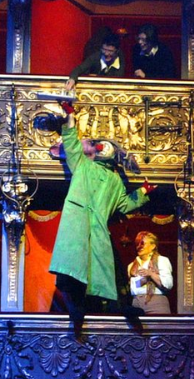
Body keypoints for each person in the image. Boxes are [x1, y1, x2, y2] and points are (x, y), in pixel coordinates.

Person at [46, 98, 155, 337]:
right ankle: (76, 310)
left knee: (109, 271)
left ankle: (122, 307)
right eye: (99, 145)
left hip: (97, 229)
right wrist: (70, 115)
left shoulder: (115, 180)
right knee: (72, 271)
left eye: (107, 146)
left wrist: (143, 192)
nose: (102, 148)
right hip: (76, 227)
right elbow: (71, 144)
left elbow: (123, 204)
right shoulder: (83, 166)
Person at [127, 231, 173, 315]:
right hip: (136, 303)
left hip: (156, 303)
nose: (139, 246)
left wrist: (151, 274)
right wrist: (144, 280)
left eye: (142, 243)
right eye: (137, 243)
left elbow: (168, 284)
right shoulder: (131, 266)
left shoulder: (161, 260)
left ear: (153, 246)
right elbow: (135, 287)